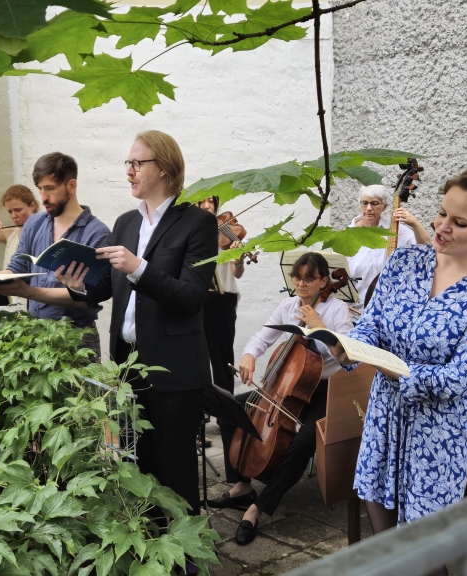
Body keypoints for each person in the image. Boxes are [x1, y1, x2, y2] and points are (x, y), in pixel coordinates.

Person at [328, 155, 467, 576]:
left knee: (424, 560)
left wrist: (399, 371)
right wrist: (350, 348)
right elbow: (374, 324)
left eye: (460, 222)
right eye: (440, 213)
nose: (441, 226)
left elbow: (465, 377)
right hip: (384, 420)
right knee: (389, 553)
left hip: (436, 437)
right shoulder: (404, 262)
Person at [55, 131, 218, 517]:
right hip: (128, 366)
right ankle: (150, 550)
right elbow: (108, 289)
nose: (128, 171)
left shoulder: (197, 223)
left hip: (175, 370)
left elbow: (192, 298)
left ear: (162, 168)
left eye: (136, 164)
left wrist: (138, 267)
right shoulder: (126, 222)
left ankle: (185, 561)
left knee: (175, 471)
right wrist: (79, 285)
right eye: (127, 164)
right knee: (137, 468)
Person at [210, 252, 354, 545]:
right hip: (286, 388)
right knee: (228, 409)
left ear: (324, 281)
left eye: (309, 278)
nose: (301, 284)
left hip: (325, 390)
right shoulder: (288, 305)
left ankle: (257, 507)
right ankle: (241, 484)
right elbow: (262, 337)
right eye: (297, 277)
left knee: (302, 445)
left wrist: (318, 326)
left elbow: (349, 358)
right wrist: (250, 355)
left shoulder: (338, 310)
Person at [0, 153, 111, 355]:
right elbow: (16, 269)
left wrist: (27, 292)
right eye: (40, 189)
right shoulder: (34, 223)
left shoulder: (96, 233)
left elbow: (87, 296)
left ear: (71, 185)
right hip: (33, 334)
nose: (43, 197)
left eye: (50, 188)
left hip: (76, 339)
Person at [197, 195, 246, 447]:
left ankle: (229, 423)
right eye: (201, 203)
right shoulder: (193, 232)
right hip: (197, 302)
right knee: (196, 365)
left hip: (223, 303)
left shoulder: (228, 230)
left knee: (223, 363)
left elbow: (237, 272)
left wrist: (238, 257)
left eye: (211, 202)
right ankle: (198, 427)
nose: (207, 206)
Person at [347, 184, 430, 307]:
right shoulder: (347, 234)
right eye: (365, 203)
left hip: (387, 308)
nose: (369, 208)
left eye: (374, 203)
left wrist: (415, 224)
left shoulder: (395, 230)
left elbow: (428, 249)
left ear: (384, 207)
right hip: (353, 311)